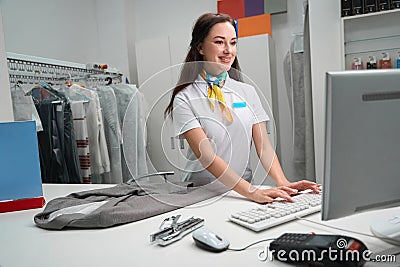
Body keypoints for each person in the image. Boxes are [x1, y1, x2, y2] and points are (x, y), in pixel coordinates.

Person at [165, 13, 320, 204]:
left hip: (243, 190)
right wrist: (252, 192)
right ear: (200, 47)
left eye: (233, 42)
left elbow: (264, 147)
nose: (228, 50)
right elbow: (207, 156)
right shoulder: (185, 97)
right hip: (202, 194)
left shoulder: (247, 92)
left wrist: (283, 182)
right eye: (219, 42)